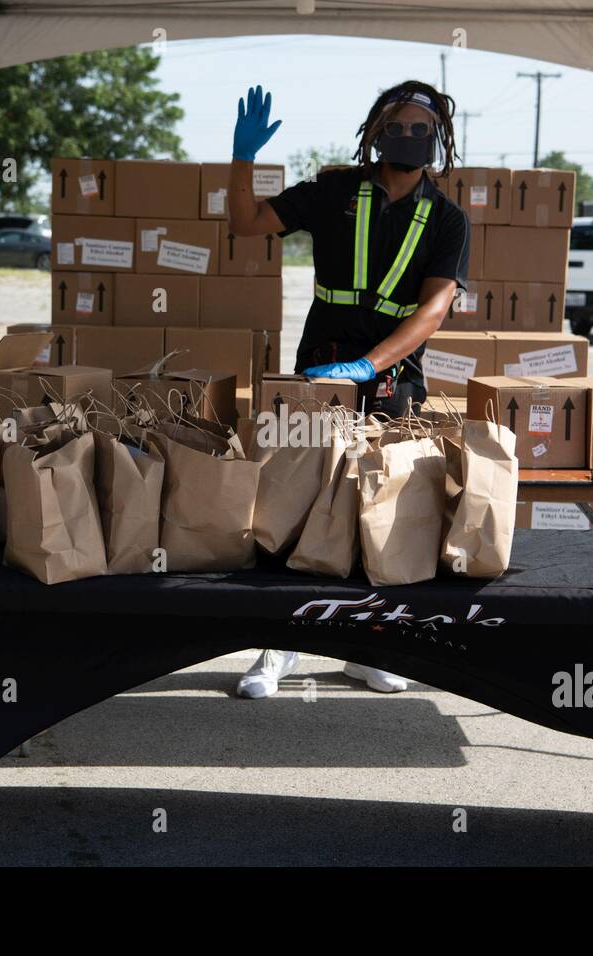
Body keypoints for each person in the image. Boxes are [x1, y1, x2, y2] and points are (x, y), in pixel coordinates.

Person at [226, 81, 472, 699]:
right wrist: (242, 158)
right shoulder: (333, 190)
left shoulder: (447, 219)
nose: (410, 136)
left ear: (439, 142)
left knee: (381, 510)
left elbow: (433, 310)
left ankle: (367, 647)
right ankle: (278, 650)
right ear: (375, 132)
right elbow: (245, 222)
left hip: (391, 380)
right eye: (399, 124)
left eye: (424, 129)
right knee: (299, 500)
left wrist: (369, 365)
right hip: (317, 374)